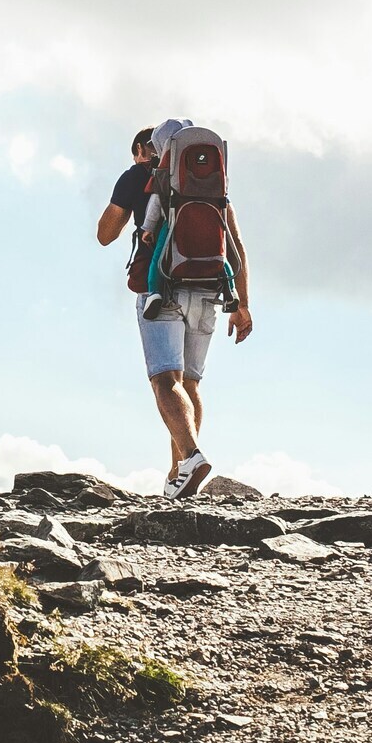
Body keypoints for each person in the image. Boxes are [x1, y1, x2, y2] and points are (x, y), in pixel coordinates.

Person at [96, 118, 253, 501]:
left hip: (161, 288)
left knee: (165, 379)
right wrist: (243, 305)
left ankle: (191, 457)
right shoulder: (213, 185)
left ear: (148, 149)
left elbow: (105, 235)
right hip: (209, 289)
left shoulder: (140, 176)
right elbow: (236, 246)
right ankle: (178, 475)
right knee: (191, 384)